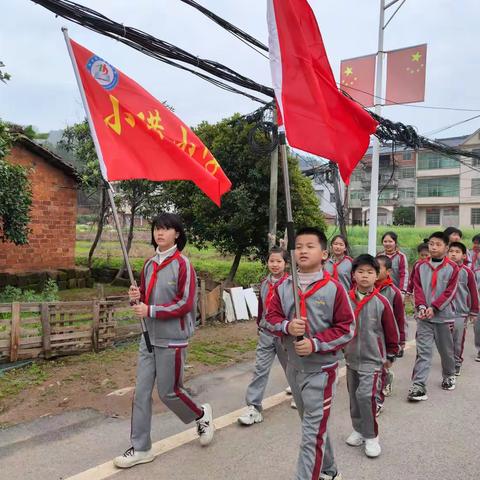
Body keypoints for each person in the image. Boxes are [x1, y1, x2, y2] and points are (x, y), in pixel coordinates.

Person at [114, 213, 214, 469]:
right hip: (148, 337)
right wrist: (135, 297)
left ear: (177, 234)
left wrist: (151, 310)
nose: (160, 233)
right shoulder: (149, 264)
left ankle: (201, 414)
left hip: (173, 338)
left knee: (169, 392)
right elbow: (143, 300)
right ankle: (141, 448)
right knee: (142, 393)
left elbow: (185, 304)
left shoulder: (183, 265)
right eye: (157, 228)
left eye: (166, 229)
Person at [266, 227, 355, 480]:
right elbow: (269, 318)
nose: (303, 250)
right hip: (294, 368)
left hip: (322, 372)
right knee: (312, 427)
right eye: (299, 246)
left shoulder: (333, 288)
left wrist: (316, 343)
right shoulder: (285, 286)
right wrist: (286, 326)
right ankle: (329, 470)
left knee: (310, 435)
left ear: (324, 253)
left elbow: (347, 328)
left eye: (310, 246)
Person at [344, 254, 399, 458]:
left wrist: (391, 353)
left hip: (373, 359)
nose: (365, 276)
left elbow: (391, 329)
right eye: (360, 272)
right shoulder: (346, 299)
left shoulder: (381, 301)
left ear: (377, 276)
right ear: (353, 275)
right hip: (350, 358)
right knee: (353, 398)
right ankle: (358, 429)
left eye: (370, 272)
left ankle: (371, 436)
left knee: (365, 396)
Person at [238, 247, 292, 426]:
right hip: (266, 333)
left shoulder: (291, 284)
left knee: (292, 368)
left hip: (285, 335)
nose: (275, 264)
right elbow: (262, 306)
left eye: (279, 261)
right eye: (271, 261)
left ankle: (300, 397)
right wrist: (259, 325)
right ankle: (254, 407)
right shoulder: (265, 283)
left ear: (286, 263)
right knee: (260, 369)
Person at [408, 231, 459, 402]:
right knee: (423, 352)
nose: (434, 247)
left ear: (446, 247)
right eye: (431, 244)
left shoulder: (452, 268)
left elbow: (450, 292)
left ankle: (449, 374)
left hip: (443, 317)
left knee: (446, 351)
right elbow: (418, 287)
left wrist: (435, 307)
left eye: (438, 244)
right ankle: (418, 386)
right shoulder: (419, 266)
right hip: (424, 317)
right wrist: (422, 306)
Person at [375, 255, 406, 409]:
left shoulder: (394, 292)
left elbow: (400, 318)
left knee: (382, 365)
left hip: (387, 335)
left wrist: (401, 341)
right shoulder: (366, 287)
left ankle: (378, 402)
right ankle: (384, 378)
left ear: (388, 271)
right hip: (370, 334)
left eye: (378, 268)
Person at [448, 242, 479, 375]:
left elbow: (473, 292)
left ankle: (456, 362)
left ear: (464, 255)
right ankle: (448, 361)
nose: (453, 254)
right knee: (445, 340)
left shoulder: (467, 272)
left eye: (457, 252)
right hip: (444, 312)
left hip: (460, 312)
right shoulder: (443, 270)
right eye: (451, 251)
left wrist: (474, 311)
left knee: (458, 339)